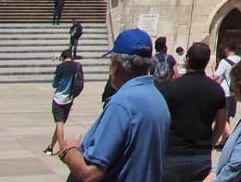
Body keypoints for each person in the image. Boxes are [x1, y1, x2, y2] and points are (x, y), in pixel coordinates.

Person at [58, 28, 171, 182]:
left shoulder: (123, 103)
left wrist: (70, 151)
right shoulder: (157, 98)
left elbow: (90, 174)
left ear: (117, 65)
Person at [161, 41, 228, 182]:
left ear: (188, 60)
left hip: (173, 153)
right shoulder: (216, 90)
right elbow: (221, 124)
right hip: (201, 155)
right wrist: (210, 143)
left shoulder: (172, 87)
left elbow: (161, 120)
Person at [45, 49, 86, 156]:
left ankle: (62, 148)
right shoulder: (77, 66)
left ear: (63, 58)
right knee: (61, 124)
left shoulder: (60, 67)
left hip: (59, 99)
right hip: (69, 99)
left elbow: (54, 84)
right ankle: (50, 147)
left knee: (59, 123)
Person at [215, 45, 241, 120]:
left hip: (225, 90)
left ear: (227, 49)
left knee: (223, 116)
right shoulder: (240, 59)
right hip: (235, 90)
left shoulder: (224, 61)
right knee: (228, 115)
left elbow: (217, 75)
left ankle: (227, 132)